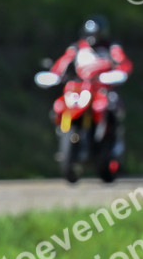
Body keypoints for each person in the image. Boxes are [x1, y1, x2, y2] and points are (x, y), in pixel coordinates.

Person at [49, 15, 132, 158]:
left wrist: (116, 74)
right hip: (79, 90)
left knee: (112, 107)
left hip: (101, 90)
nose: (93, 38)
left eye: (96, 34)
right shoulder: (77, 48)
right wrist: (56, 75)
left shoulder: (111, 48)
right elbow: (61, 64)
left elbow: (124, 65)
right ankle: (63, 135)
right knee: (60, 105)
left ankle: (113, 144)